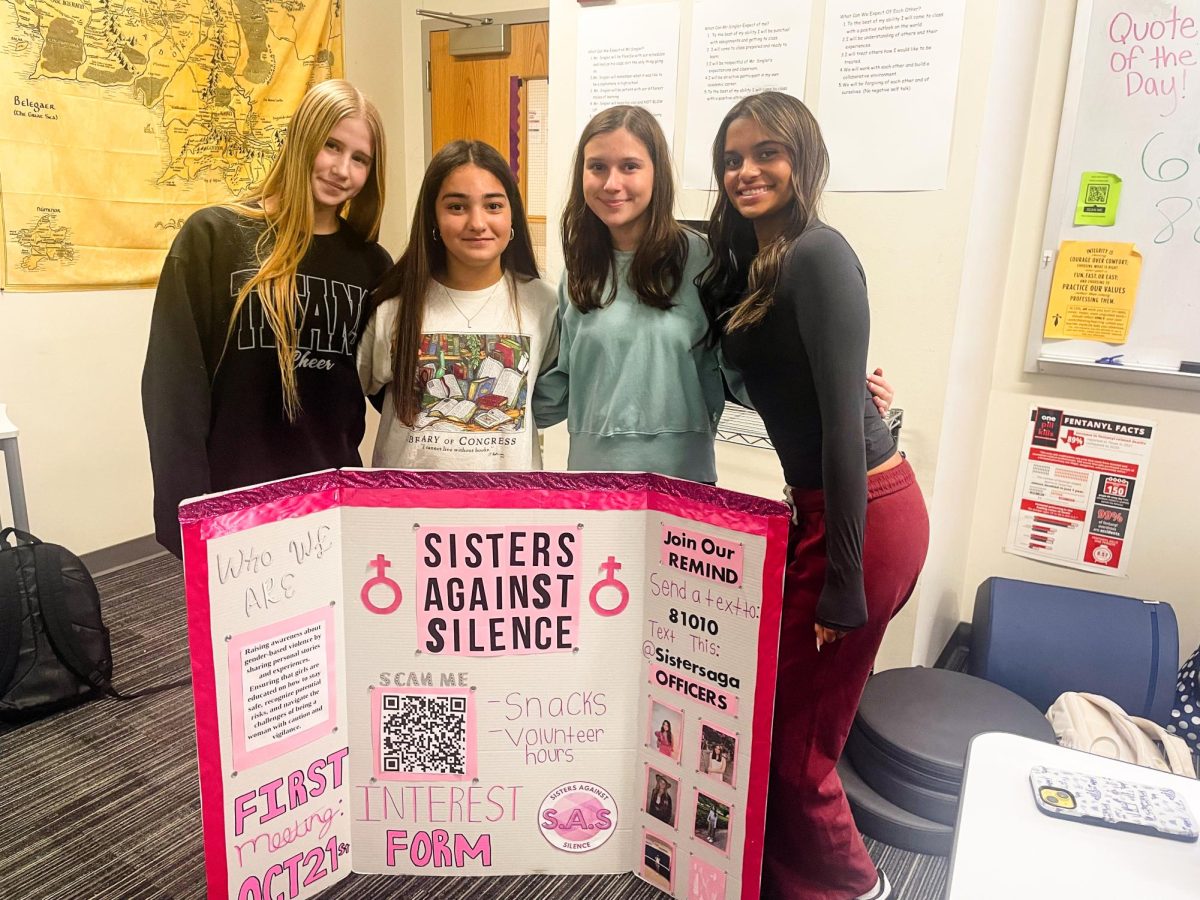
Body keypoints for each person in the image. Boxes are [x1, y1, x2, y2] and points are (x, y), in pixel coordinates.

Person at [699, 92, 929, 900]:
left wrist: (842, 578)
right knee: (777, 717)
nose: (746, 170)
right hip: (829, 506)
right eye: (731, 158)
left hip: (863, 508)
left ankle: (857, 886)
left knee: (797, 740)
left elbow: (839, 430)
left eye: (767, 152)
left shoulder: (818, 252)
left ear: (805, 158)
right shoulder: (758, 262)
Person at [534, 105, 896, 483]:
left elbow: (751, 367)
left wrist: (851, 398)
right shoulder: (578, 272)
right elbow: (559, 384)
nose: (611, 183)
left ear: (657, 174)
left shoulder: (705, 260)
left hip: (682, 484)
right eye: (597, 167)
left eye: (629, 166)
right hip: (592, 481)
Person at [142, 80, 390, 557]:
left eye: (360, 159)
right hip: (234, 500)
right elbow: (172, 389)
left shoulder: (371, 265)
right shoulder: (215, 237)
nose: (342, 170)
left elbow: (390, 389)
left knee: (327, 631)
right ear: (301, 140)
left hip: (331, 499)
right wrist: (186, 510)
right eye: (331, 146)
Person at [359, 141, 557, 470]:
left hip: (510, 512)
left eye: (493, 206)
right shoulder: (395, 306)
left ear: (512, 217)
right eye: (457, 207)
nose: (477, 223)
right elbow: (347, 398)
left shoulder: (543, 304)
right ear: (433, 218)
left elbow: (547, 402)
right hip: (406, 513)